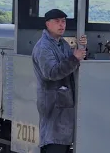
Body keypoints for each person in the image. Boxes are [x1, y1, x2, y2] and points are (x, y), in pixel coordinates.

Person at [31, 9, 87, 153]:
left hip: (63, 106)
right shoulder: (44, 47)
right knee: (54, 144)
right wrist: (75, 58)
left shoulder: (62, 44)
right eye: (57, 21)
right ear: (47, 24)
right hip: (52, 104)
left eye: (63, 21)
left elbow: (73, 63)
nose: (61, 25)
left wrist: (82, 50)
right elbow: (51, 72)